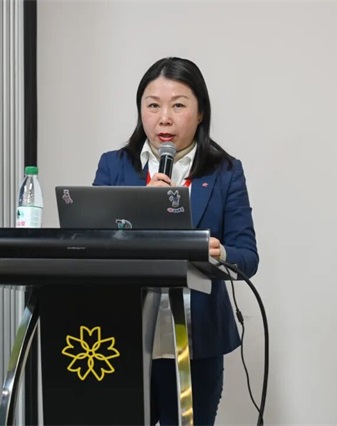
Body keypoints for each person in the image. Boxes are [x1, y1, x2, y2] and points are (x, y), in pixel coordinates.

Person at [93, 57, 258, 425]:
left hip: (197, 340)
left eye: (178, 105)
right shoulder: (115, 166)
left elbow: (247, 256)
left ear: (200, 113)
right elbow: (91, 243)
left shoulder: (226, 172)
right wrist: (139, 210)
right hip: (123, 338)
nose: (164, 118)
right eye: (153, 105)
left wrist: (220, 253)